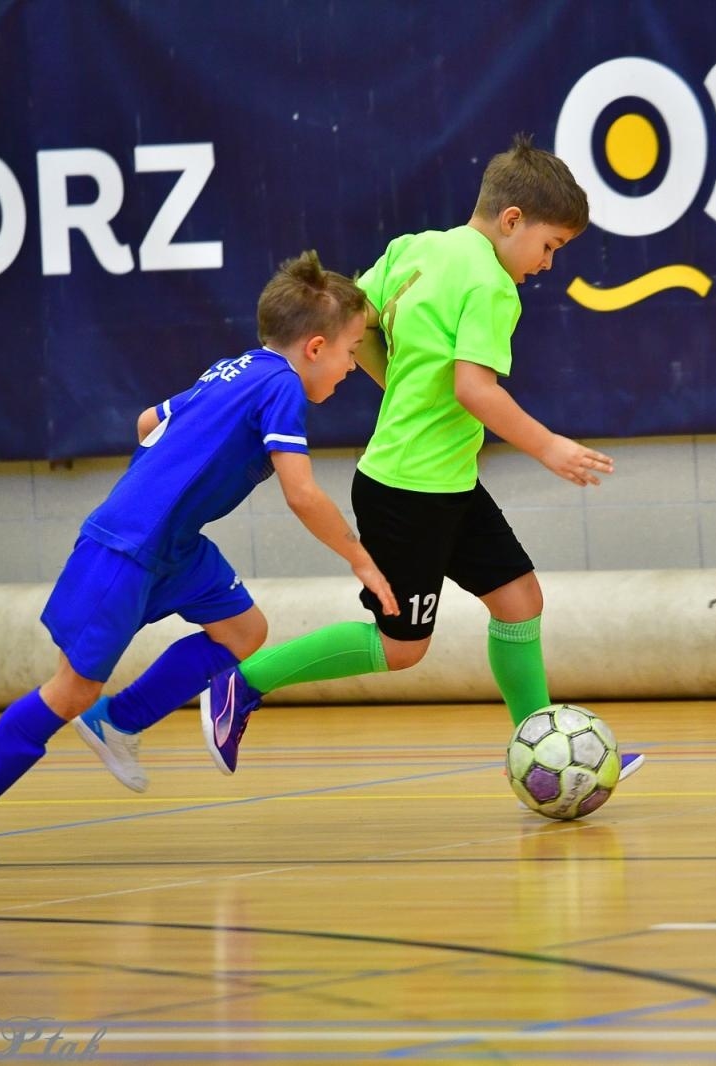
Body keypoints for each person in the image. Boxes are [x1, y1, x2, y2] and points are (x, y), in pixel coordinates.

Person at [0, 251, 397, 867]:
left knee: (244, 631)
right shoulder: (280, 387)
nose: (355, 365)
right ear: (314, 347)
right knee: (70, 689)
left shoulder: (238, 368)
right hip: (128, 547)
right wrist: (360, 558)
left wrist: (171, 479)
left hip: (175, 544)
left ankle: (120, 721)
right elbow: (301, 493)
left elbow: (150, 419)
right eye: (353, 350)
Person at [194, 134, 643, 785]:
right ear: (512, 221)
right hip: (410, 490)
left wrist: (397, 383)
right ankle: (241, 685)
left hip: (444, 482)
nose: (547, 264)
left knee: (518, 600)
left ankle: (543, 751)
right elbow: (473, 388)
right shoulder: (493, 286)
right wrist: (549, 447)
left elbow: (361, 324)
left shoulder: (417, 248)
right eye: (550, 246)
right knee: (402, 649)